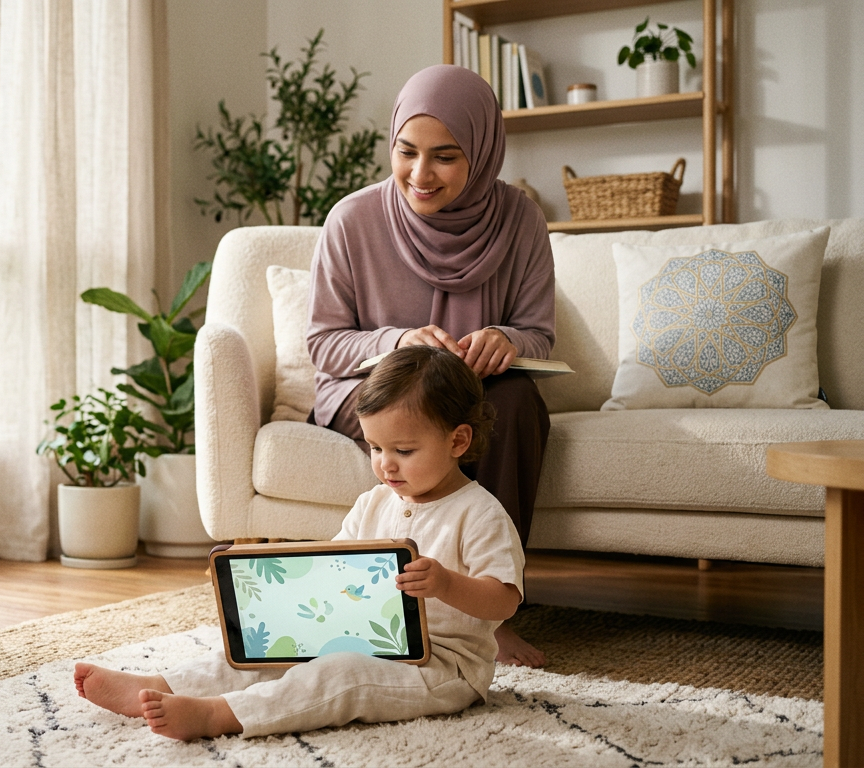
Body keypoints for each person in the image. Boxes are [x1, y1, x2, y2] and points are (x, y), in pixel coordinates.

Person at [73, 346, 524, 740]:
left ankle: (220, 715)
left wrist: (446, 584)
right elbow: (333, 570)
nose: (386, 465)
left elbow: (504, 599)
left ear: (457, 440)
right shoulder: (372, 503)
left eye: (403, 451)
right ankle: (162, 684)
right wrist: (266, 586)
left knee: (338, 675)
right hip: (363, 637)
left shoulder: (480, 513)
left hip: (442, 667)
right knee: (263, 649)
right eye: (375, 448)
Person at [306, 64, 553, 667]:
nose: (420, 174)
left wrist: (505, 339)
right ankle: (382, 607)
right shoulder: (352, 219)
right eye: (406, 152)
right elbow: (323, 343)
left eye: (445, 156)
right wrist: (396, 343)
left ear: (482, 152)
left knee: (516, 402)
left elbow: (540, 335)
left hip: (471, 391)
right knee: (409, 418)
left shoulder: (520, 219)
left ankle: (489, 611)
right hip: (372, 392)